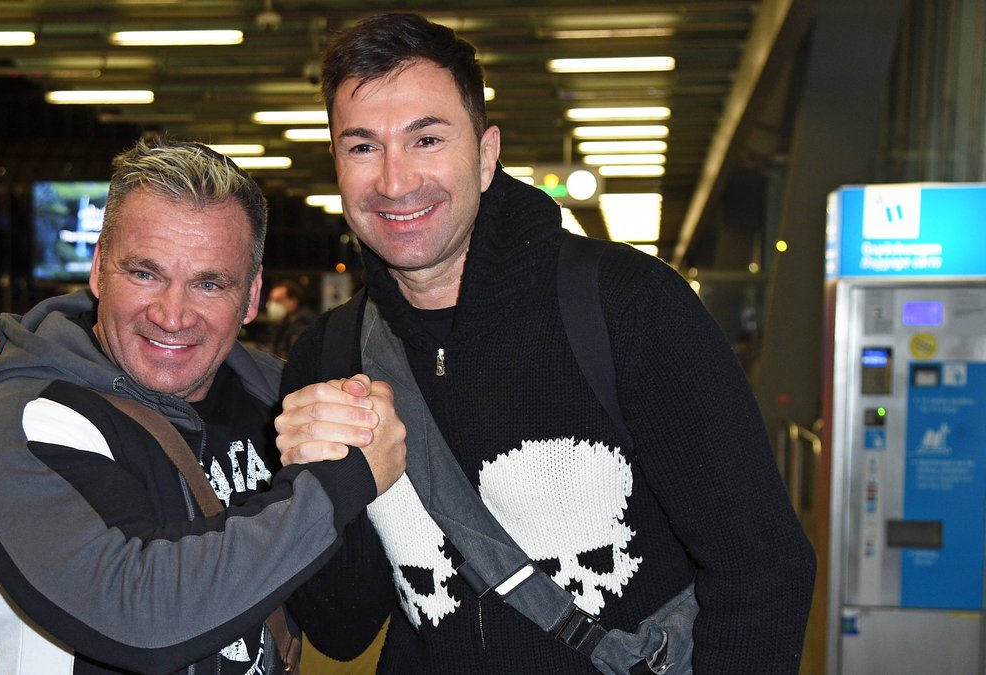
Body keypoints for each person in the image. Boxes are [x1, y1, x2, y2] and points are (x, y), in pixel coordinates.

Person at [274, 12, 816, 674]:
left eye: (427, 139)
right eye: (362, 147)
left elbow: (760, 565)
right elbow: (342, 627)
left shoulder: (626, 308)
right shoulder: (330, 359)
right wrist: (314, 486)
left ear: (486, 153)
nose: (394, 181)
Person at [0, 138, 406, 674]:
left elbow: (342, 626)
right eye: (145, 273)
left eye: (209, 283)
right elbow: (137, 614)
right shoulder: (16, 426)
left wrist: (371, 437)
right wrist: (339, 483)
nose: (173, 314)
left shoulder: (276, 398)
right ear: (98, 271)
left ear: (251, 297)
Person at [265, 279, 317, 358]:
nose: (272, 304)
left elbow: (294, 357)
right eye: (271, 299)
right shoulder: (286, 321)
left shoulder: (302, 323)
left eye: (278, 300)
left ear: (293, 301)